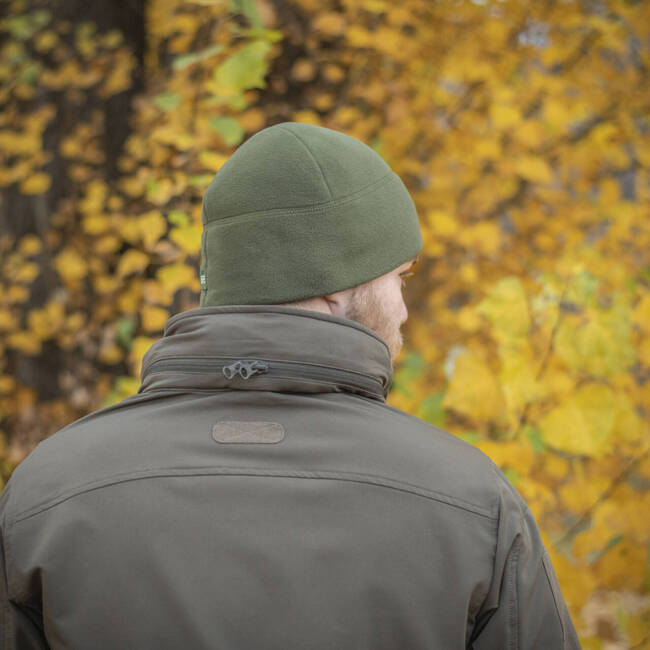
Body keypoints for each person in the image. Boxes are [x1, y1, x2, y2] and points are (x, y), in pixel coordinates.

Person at [0, 122, 581, 649]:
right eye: (399, 278)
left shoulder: (46, 494)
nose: (404, 310)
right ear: (335, 288)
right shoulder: (472, 502)